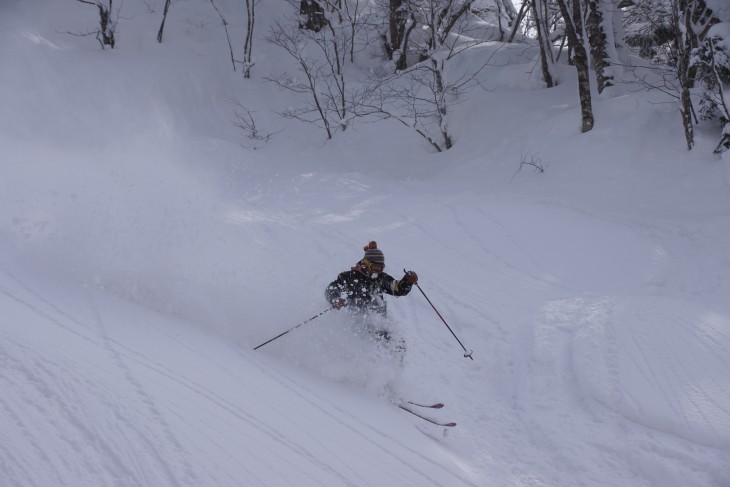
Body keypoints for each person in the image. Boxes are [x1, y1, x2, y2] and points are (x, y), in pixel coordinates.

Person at [325, 241, 418, 350]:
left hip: (378, 324)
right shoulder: (349, 277)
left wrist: (407, 282)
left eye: (380, 268)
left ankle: (393, 366)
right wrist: (335, 299)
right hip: (357, 325)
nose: (377, 272)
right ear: (366, 264)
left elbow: (397, 288)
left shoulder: (381, 279)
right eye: (374, 267)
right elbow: (331, 289)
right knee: (369, 346)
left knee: (398, 344)